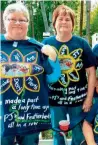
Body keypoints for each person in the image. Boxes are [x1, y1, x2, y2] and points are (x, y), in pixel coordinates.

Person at [0, 2, 60, 145]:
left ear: (27, 23)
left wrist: (53, 58)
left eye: (22, 20)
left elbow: (53, 77)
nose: (17, 23)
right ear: (4, 21)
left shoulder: (39, 48)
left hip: (30, 114)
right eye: (12, 19)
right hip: (2, 115)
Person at [42, 5, 96, 145]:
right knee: (57, 134)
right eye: (60, 19)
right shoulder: (46, 44)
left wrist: (89, 98)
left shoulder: (82, 43)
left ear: (73, 24)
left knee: (79, 135)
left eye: (68, 19)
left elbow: (91, 72)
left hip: (78, 100)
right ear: (54, 24)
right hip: (55, 100)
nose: (64, 22)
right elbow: (40, 72)